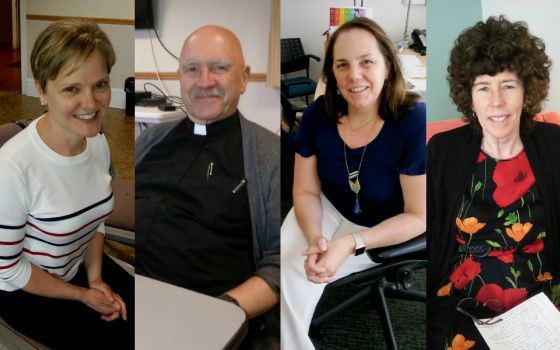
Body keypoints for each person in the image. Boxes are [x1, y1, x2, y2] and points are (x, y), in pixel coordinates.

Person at [281, 17, 426, 349]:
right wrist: (315, 238)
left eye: (366, 62)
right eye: (342, 65)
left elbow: (418, 216)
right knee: (290, 269)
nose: (354, 75)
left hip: (383, 224)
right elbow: (305, 190)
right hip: (327, 207)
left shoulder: (412, 120)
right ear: (331, 72)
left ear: (388, 67)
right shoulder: (320, 112)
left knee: (305, 273)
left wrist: (350, 243)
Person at [135, 25, 280, 349]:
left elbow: (281, 262)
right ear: (180, 77)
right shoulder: (151, 139)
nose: (204, 81)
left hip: (202, 318)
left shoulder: (268, 156)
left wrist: (219, 312)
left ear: (243, 77)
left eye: (219, 68)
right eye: (192, 69)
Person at [427, 16, 560, 349]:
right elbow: (428, 233)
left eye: (508, 85)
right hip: (463, 300)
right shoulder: (443, 151)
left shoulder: (554, 145)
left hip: (542, 296)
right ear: (469, 96)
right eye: (483, 87)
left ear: (527, 90)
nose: (496, 101)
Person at [0, 19, 133, 349]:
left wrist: (96, 278)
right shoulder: (13, 168)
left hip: (80, 270)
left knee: (152, 318)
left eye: (100, 84)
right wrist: (84, 296)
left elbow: (96, 220)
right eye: (72, 89)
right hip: (25, 289)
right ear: (43, 91)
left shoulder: (96, 142)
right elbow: (8, 269)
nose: (91, 104)